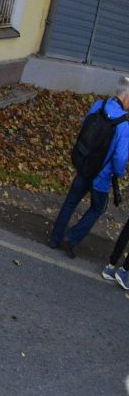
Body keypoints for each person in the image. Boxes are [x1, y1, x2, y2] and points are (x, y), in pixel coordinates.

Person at [51, 78, 129, 260]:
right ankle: (71, 238)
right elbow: (120, 159)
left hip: (85, 166)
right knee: (98, 208)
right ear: (126, 97)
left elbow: (85, 126)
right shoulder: (124, 125)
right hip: (101, 177)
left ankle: (55, 239)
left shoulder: (98, 105)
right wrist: (120, 173)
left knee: (70, 202)